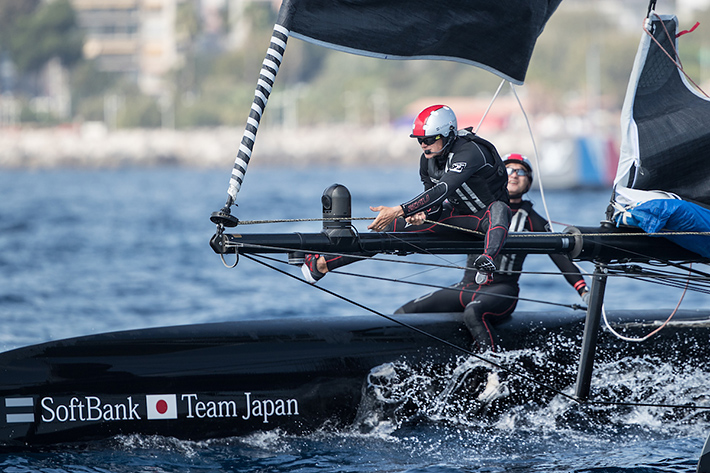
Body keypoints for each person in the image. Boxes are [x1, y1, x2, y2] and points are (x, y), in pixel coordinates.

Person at [394, 153, 591, 352]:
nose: (514, 175)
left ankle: (492, 368)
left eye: (521, 172)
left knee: (473, 313)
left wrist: (583, 291)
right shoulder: (475, 210)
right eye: (509, 170)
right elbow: (438, 221)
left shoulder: (534, 221)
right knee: (404, 312)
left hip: (502, 290)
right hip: (467, 286)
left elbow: (560, 257)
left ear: (529, 182)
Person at [302, 104, 511, 284]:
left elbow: (442, 190)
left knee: (500, 208)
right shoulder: (427, 161)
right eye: (419, 140)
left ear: (448, 134)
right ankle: (322, 265)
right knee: (390, 227)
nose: (423, 145)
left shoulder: (470, 151)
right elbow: (435, 206)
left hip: (488, 220)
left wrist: (399, 210)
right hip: (458, 218)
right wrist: (423, 215)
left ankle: (487, 261)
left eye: (429, 139)